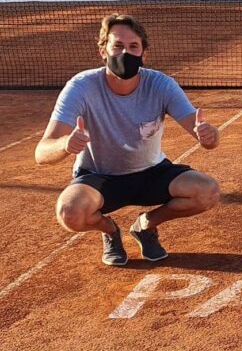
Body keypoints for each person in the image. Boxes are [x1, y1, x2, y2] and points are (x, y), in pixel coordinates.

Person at [35, 14, 221, 266]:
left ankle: (145, 226)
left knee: (207, 191)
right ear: (103, 51)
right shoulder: (81, 87)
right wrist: (65, 144)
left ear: (144, 54)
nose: (126, 53)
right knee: (70, 213)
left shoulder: (160, 84)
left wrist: (209, 135)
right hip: (100, 176)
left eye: (133, 47)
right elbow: (42, 153)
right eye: (117, 46)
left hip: (151, 172)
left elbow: (205, 137)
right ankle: (110, 230)